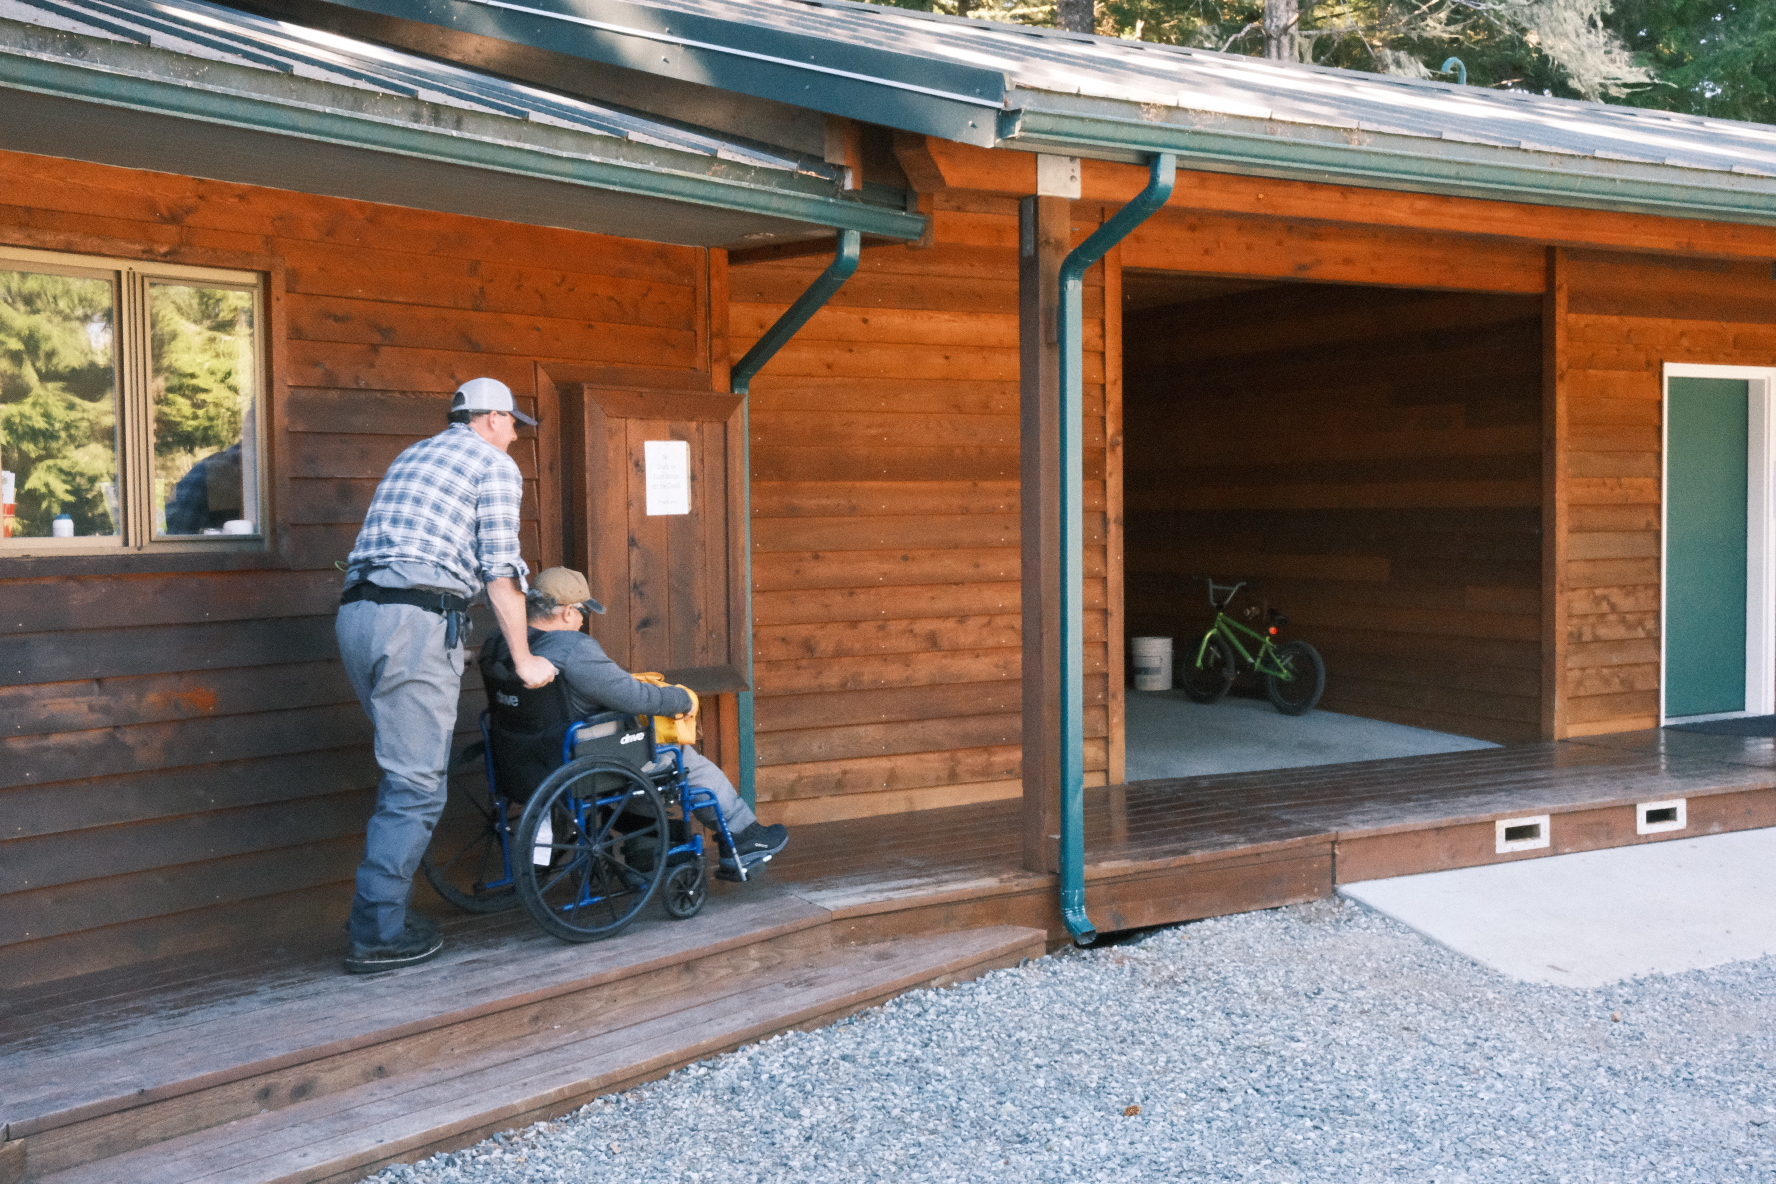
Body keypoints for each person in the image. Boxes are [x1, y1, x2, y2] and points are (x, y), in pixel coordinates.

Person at [336, 377, 557, 975]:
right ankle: (377, 933)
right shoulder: (493, 464)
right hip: (413, 622)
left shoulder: (415, 454)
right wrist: (525, 658)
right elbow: (500, 571)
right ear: (491, 419)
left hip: (358, 616)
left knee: (405, 770)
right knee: (416, 785)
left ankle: (377, 914)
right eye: (513, 424)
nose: (515, 436)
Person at [481, 566, 789, 878]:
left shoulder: (500, 644)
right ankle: (743, 837)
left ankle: (646, 848)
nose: (583, 620)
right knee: (679, 759)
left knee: (637, 752)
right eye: (583, 612)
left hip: (520, 762)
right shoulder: (573, 648)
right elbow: (635, 698)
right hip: (578, 761)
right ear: (567, 612)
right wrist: (682, 699)